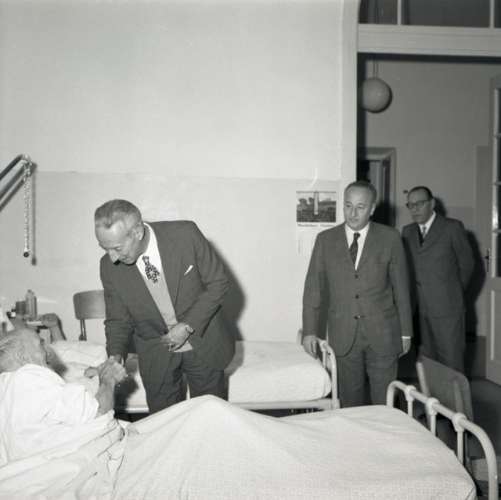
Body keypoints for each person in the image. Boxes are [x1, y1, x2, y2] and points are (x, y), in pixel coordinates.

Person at [94, 199, 235, 413]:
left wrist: (187, 325)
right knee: (163, 424)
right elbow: (117, 320)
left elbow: (218, 283)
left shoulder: (185, 235)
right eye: (105, 248)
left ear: (137, 232)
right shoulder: (108, 267)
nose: (112, 258)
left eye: (117, 248)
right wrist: (115, 356)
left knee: (210, 419)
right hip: (156, 354)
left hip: (203, 343)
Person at [302, 180, 413, 407]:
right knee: (350, 404)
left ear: (372, 209)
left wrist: (406, 333)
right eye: (348, 205)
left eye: (360, 207)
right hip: (343, 334)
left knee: (384, 404)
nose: (353, 213)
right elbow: (313, 288)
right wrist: (309, 331)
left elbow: (402, 289)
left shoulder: (390, 238)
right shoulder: (325, 240)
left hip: (383, 333)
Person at [0, 328, 126, 465]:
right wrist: (108, 379)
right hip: (70, 466)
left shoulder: (6, 387)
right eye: (40, 344)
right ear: (21, 356)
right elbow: (99, 413)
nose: (49, 352)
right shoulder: (28, 377)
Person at [402, 186, 474, 372]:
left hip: (447, 309)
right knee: (428, 362)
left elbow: (467, 265)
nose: (414, 209)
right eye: (410, 205)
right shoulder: (407, 231)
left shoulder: (452, 227)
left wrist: (452, 292)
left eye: (419, 204)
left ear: (432, 203)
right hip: (419, 310)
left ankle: (454, 394)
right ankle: (431, 393)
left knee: (451, 362)